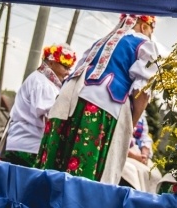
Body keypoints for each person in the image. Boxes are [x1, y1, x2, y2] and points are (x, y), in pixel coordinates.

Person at [37, 14, 159, 184]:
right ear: (145, 26)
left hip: (68, 102)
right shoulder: (144, 44)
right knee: (86, 169)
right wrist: (130, 125)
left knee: (60, 161)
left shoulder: (102, 41)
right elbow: (143, 92)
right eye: (152, 30)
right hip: (103, 107)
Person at [3, 43, 77, 167]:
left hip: (22, 145)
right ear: (51, 62)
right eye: (65, 66)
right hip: (29, 147)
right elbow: (53, 114)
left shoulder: (43, 80)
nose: (67, 72)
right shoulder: (42, 83)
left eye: (69, 68)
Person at [120, 115, 163, 193]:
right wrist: (134, 156)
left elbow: (145, 137)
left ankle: (147, 201)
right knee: (132, 172)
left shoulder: (142, 116)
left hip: (138, 153)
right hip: (124, 152)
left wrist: (145, 154)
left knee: (155, 175)